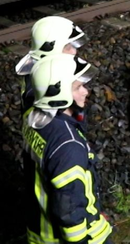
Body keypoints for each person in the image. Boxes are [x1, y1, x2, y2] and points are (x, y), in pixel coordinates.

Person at [22, 54, 112, 244]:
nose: (86, 92)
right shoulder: (69, 146)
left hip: (40, 232)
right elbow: (69, 209)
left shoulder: (36, 118)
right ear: (58, 93)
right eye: (78, 87)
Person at [15, 16, 87, 111]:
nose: (74, 52)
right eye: (68, 47)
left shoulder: (45, 70)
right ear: (49, 48)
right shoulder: (43, 85)